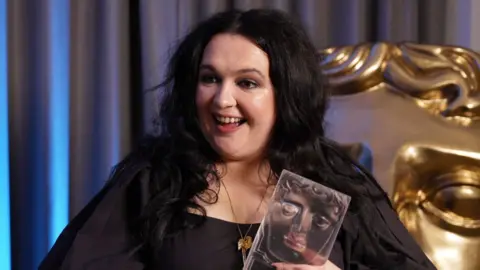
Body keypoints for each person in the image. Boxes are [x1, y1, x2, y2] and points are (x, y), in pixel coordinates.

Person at [39, 9, 437, 270]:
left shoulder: (330, 183)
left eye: (247, 82)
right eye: (210, 78)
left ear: (286, 95)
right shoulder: (153, 182)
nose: (222, 99)